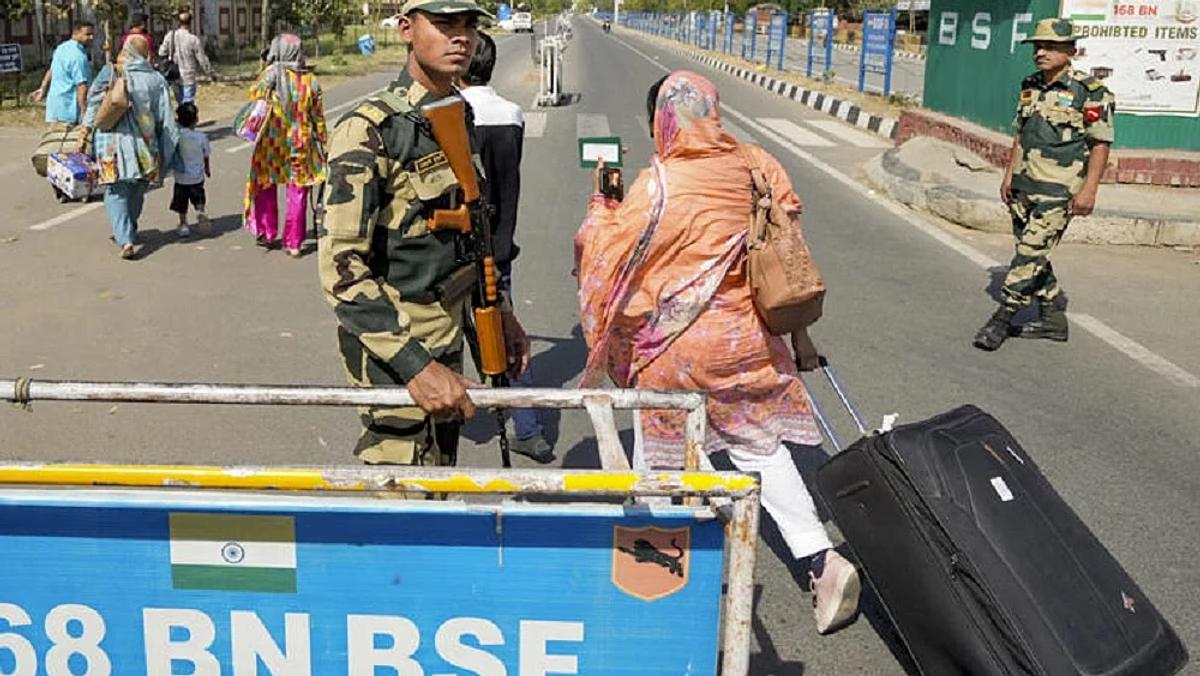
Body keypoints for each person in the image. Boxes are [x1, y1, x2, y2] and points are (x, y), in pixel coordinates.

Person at [574, 71, 860, 635]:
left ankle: (658, 583)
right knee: (761, 448)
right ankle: (822, 561)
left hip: (679, 353)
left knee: (663, 457)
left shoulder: (659, 184)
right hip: (751, 340)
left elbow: (603, 252)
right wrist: (800, 338)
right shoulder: (758, 164)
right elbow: (789, 245)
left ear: (662, 121)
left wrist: (602, 201)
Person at [319, 0, 532, 467]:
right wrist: (417, 367)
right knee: (401, 494)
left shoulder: (457, 114)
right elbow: (341, 270)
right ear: (406, 30)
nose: (461, 37)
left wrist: (502, 314)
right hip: (396, 354)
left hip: (449, 334)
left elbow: (471, 235)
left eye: (468, 25)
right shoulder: (369, 129)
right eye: (444, 24)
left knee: (440, 472)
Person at [974, 18, 1114, 351]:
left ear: (1071, 51)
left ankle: (1003, 317)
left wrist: (1089, 190)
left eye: (1050, 46)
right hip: (1024, 184)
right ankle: (1053, 318)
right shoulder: (1030, 84)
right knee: (1033, 251)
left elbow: (1101, 144)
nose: (1041, 52)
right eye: (1038, 46)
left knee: (1029, 252)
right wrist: (1009, 174)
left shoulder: (1091, 91)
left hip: (1059, 189)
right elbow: (1020, 133)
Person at [459, 32, 553, 463]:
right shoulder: (512, 113)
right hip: (498, 247)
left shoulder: (452, 114)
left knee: (448, 336)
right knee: (507, 335)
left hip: (455, 250)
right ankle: (528, 428)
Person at [80, 35, 179, 259]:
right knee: (137, 190)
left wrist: (85, 131)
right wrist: (167, 151)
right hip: (146, 145)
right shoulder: (157, 80)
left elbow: (94, 103)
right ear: (146, 54)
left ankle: (125, 239)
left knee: (116, 192)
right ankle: (130, 229)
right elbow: (167, 120)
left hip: (111, 144)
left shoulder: (112, 72)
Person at [241, 33, 326, 258]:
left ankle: (267, 232)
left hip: (270, 143)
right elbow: (318, 117)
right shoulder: (310, 81)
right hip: (301, 143)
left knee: (266, 185)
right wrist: (324, 142)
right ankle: (294, 242)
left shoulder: (266, 78)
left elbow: (253, 103)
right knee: (297, 190)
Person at [31, 21, 95, 127]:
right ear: (76, 34)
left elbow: (51, 70)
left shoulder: (61, 48)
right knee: (70, 142)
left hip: (55, 108)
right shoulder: (78, 56)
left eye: (92, 34)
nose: (91, 37)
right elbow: (81, 86)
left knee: (55, 141)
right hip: (69, 110)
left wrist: (43, 88)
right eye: (87, 34)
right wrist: (84, 111)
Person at [171, 102, 211, 238]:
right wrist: (207, 169)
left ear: (178, 120)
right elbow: (206, 155)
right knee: (198, 197)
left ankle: (183, 225)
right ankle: (200, 212)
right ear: (196, 120)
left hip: (181, 177)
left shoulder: (177, 137)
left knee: (181, 203)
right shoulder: (201, 137)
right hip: (197, 176)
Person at [159, 11, 212, 104]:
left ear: (178, 22)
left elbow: (161, 52)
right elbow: (202, 58)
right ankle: (187, 117)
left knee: (180, 102)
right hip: (188, 75)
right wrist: (209, 71)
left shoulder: (170, 36)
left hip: (174, 74)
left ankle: (181, 116)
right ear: (190, 22)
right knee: (188, 101)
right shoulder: (193, 39)